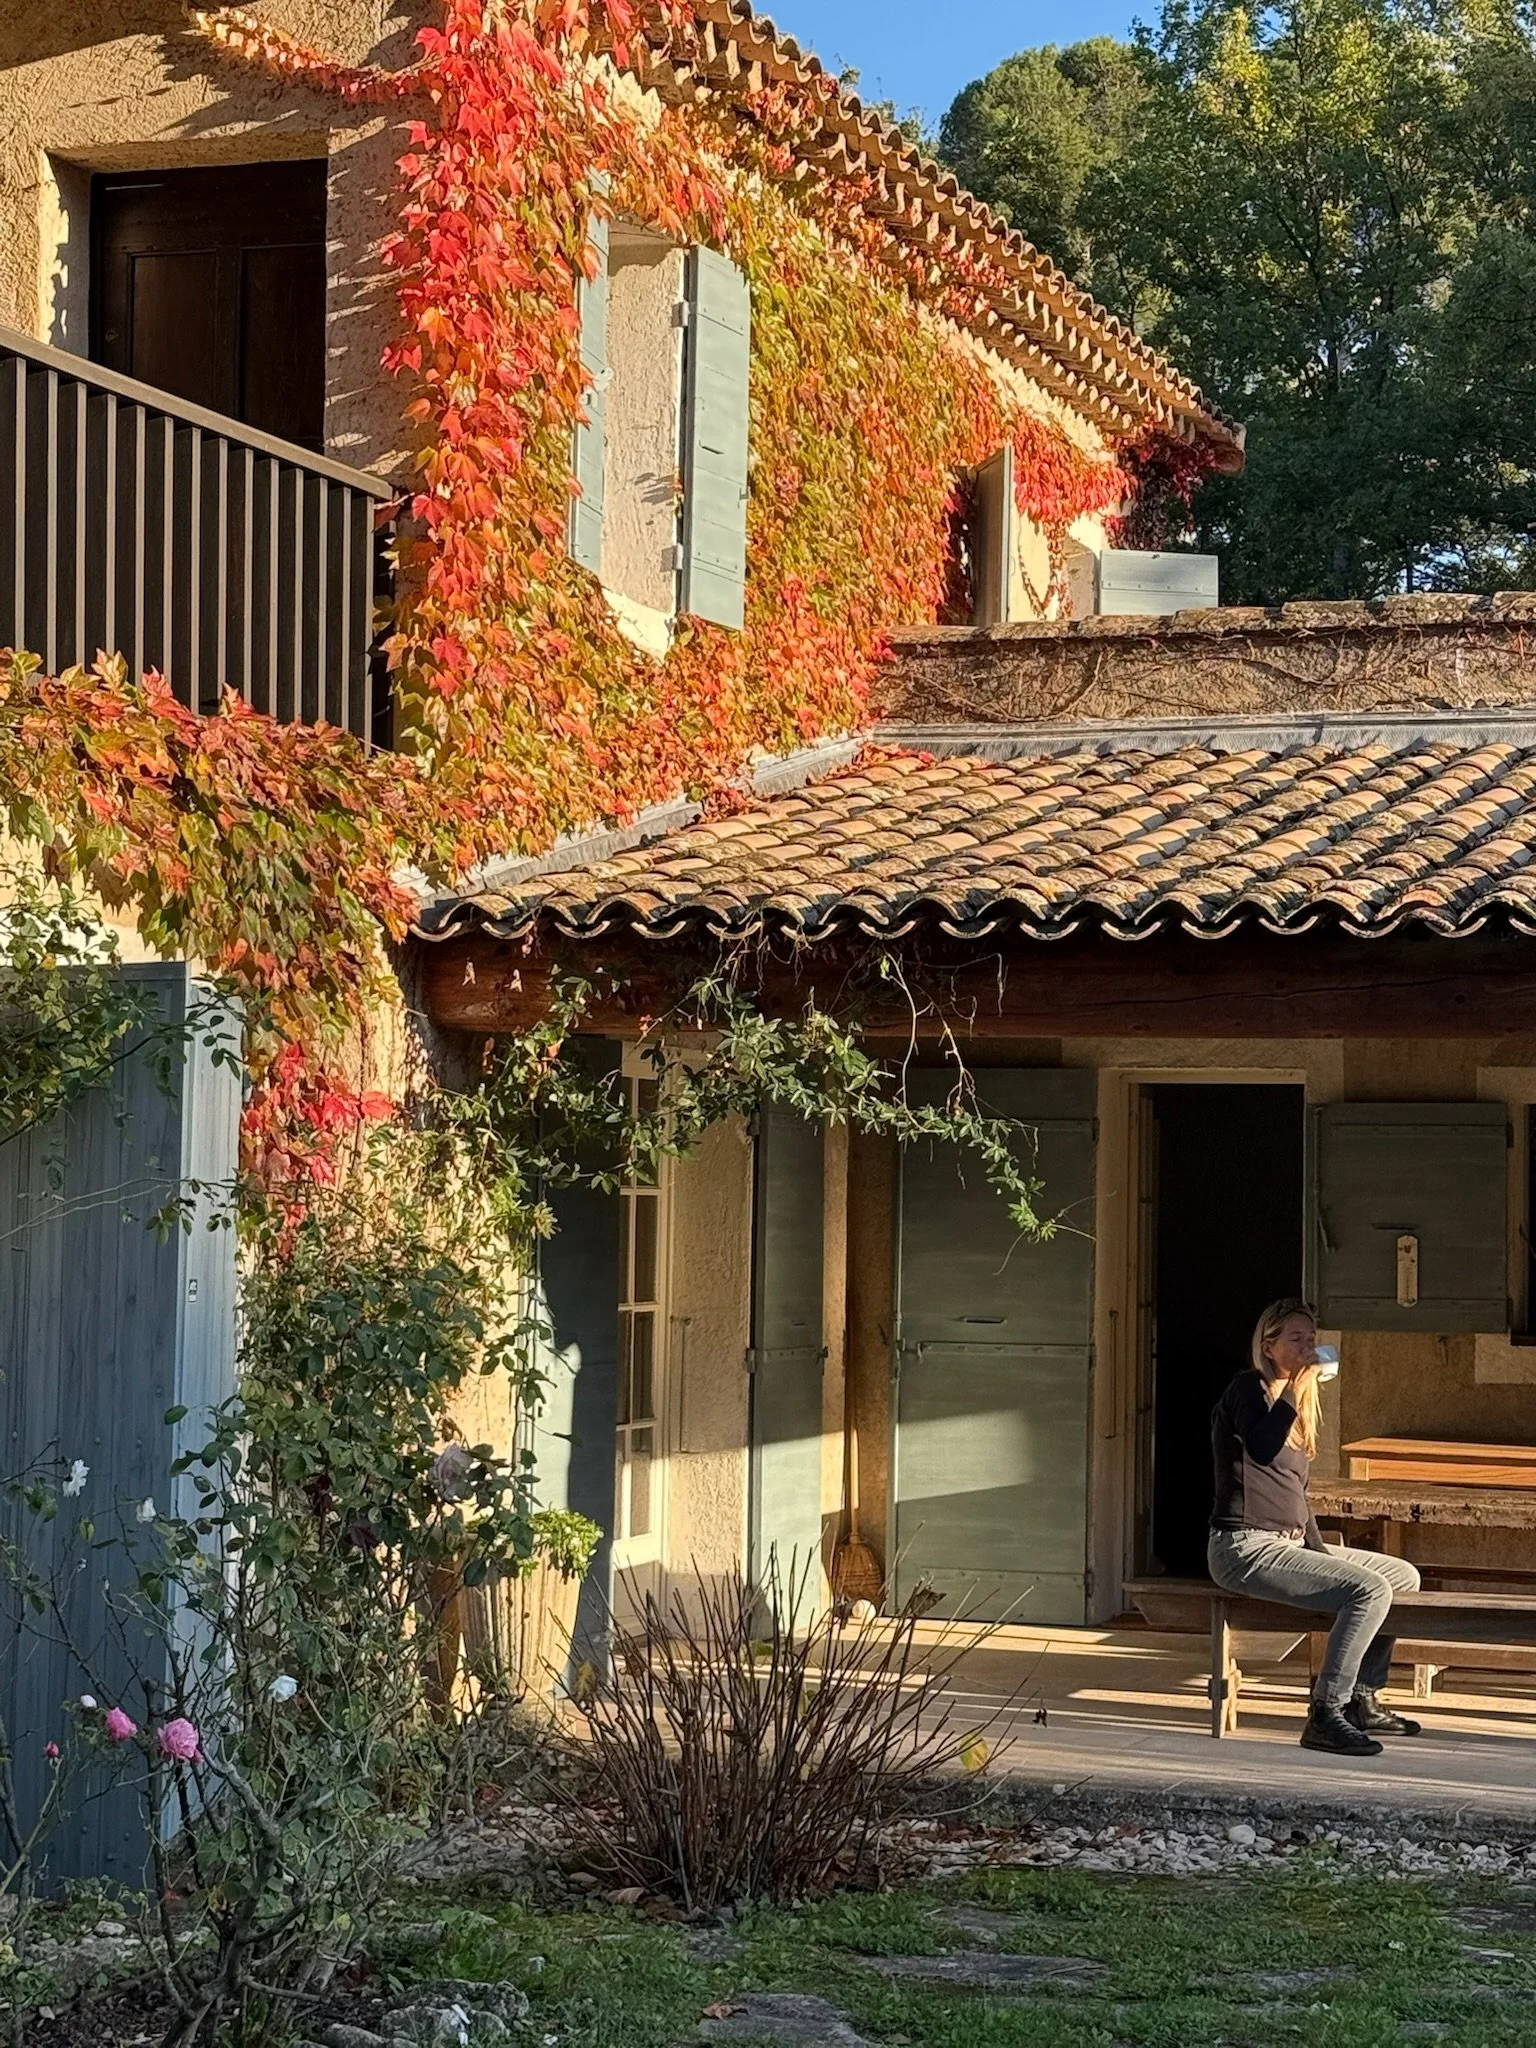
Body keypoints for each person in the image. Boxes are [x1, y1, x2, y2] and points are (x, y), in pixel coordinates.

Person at [1208, 1298, 1421, 1758]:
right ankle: (1326, 1713)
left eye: (1312, 1339)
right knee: (1370, 1591)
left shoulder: (1296, 1405)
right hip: (1243, 1548)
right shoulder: (1248, 1390)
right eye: (1296, 1339)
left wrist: (1319, 1553)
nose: (1308, 1347)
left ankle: (1363, 1696)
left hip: (1286, 1544)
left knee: (1402, 1577)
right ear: (1268, 1346)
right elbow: (1262, 1448)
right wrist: (1296, 1385)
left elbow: (1297, 1499)